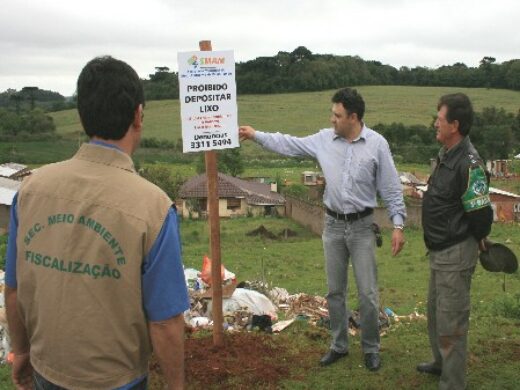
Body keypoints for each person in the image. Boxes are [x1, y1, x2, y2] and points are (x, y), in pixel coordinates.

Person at [5, 56, 190, 390]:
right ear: (139, 115)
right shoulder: (154, 206)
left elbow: (14, 288)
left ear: (81, 115)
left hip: (47, 370)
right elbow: (165, 323)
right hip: (117, 380)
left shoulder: (31, 189)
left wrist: (20, 351)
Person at [239, 87, 406, 371]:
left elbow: (391, 188)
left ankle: (371, 348)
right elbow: (289, 144)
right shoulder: (323, 140)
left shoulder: (377, 144)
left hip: (363, 227)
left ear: (353, 117)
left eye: (337, 115)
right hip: (333, 225)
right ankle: (339, 345)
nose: (332, 120)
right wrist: (256, 135)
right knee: (335, 291)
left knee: (367, 293)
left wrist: (398, 224)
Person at [418, 93, 493, 389]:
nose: (435, 123)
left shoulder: (470, 163)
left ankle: (453, 383)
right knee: (436, 315)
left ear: (455, 125)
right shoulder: (446, 155)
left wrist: (477, 240)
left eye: (440, 119)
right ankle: (440, 364)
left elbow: (481, 215)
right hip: (439, 250)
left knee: (452, 324)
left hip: (456, 252)